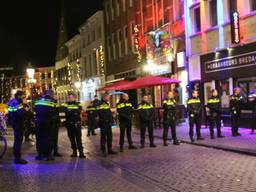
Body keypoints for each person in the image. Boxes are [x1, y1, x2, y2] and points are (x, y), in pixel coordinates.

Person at [34, 89, 57, 161]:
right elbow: (54, 111)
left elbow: (35, 109)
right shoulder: (52, 101)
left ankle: (40, 154)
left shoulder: (37, 100)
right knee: (48, 138)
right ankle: (47, 155)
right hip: (47, 122)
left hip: (38, 122)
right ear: (50, 94)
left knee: (39, 138)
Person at [7, 90, 27, 164]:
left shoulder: (12, 101)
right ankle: (18, 158)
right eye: (23, 96)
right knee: (18, 141)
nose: (24, 97)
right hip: (18, 124)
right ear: (19, 96)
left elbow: (11, 113)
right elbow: (21, 113)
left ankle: (17, 157)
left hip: (15, 123)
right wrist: (25, 109)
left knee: (17, 141)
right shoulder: (17, 102)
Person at [63, 93, 86, 158]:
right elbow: (66, 112)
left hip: (77, 124)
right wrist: (74, 111)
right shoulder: (65, 104)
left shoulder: (78, 103)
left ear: (74, 98)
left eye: (71, 97)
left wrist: (71, 111)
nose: (69, 98)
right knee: (72, 139)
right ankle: (74, 152)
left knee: (78, 138)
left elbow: (79, 111)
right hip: (69, 124)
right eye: (68, 97)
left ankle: (81, 152)